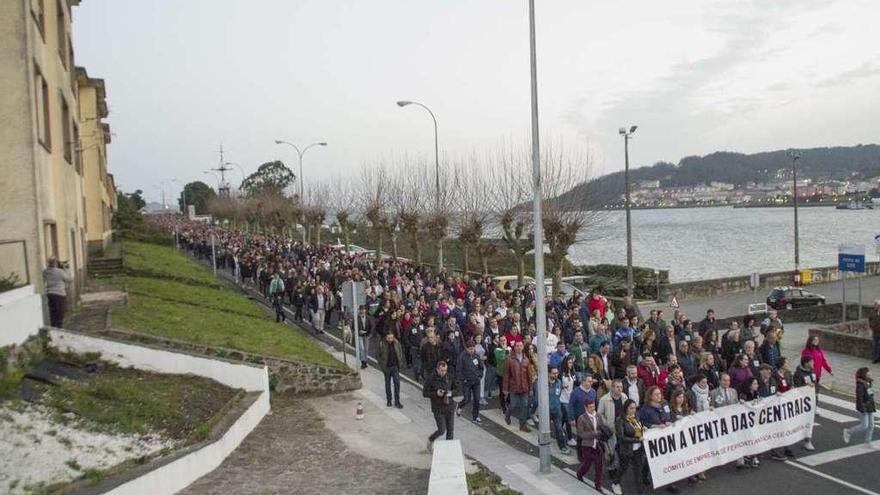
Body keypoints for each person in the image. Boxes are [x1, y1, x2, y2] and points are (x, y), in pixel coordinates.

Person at [638, 386, 679, 493]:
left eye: (659, 394)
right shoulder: (645, 409)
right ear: (650, 396)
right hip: (654, 439)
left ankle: (670, 483)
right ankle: (644, 472)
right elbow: (640, 422)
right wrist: (653, 426)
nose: (659, 396)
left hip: (666, 436)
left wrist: (669, 421)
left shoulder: (664, 404)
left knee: (668, 459)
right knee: (651, 459)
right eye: (656, 394)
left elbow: (668, 416)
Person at [598, 380, 626, 495]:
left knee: (619, 450)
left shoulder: (624, 397)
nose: (620, 389)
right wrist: (607, 424)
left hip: (621, 428)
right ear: (612, 388)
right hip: (610, 430)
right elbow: (600, 414)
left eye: (621, 387)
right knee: (610, 452)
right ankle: (611, 469)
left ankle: (615, 467)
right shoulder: (604, 399)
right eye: (617, 387)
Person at [616, 399, 647, 495]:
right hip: (626, 450)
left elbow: (638, 430)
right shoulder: (620, 420)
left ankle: (640, 492)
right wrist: (637, 440)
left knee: (638, 472)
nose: (633, 410)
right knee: (623, 469)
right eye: (631, 408)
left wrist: (643, 428)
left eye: (635, 408)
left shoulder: (636, 417)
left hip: (637, 449)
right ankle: (615, 482)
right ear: (626, 408)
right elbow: (622, 438)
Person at [424, 360, 456, 452]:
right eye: (442, 370)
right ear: (437, 369)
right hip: (438, 408)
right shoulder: (431, 378)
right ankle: (431, 439)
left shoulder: (449, 376)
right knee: (442, 430)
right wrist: (436, 393)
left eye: (445, 370)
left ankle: (448, 450)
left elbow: (457, 388)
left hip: (449, 406)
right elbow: (425, 393)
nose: (443, 372)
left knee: (450, 430)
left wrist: (451, 393)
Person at [576, 400, 606, 492]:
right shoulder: (581, 418)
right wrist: (594, 433)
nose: (592, 409)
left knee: (599, 465)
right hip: (587, 445)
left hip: (597, 445)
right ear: (585, 408)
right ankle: (580, 473)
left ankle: (598, 484)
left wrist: (601, 432)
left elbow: (602, 427)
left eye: (593, 407)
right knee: (587, 464)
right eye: (590, 407)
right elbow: (581, 434)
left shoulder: (598, 416)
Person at [504, 341, 532, 432]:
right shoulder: (509, 359)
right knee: (513, 405)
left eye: (521, 346)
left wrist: (530, 388)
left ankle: (522, 424)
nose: (519, 348)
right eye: (517, 346)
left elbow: (529, 375)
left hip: (524, 387)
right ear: (514, 348)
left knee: (524, 405)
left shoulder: (526, 359)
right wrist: (505, 388)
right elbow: (506, 374)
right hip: (514, 387)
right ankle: (508, 415)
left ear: (523, 347)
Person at [843, 367, 876, 445]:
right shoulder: (860, 385)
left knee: (871, 425)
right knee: (864, 425)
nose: (870, 374)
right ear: (864, 374)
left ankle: (868, 441)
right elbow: (859, 398)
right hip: (864, 407)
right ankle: (848, 432)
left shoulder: (868, 382)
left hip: (870, 406)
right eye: (868, 372)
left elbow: (870, 394)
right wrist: (862, 408)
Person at [793, 355, 818, 451]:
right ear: (806, 363)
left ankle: (807, 440)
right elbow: (797, 387)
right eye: (811, 362)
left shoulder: (813, 371)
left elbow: (816, 382)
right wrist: (806, 386)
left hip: (811, 400)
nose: (813, 364)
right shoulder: (798, 374)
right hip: (802, 401)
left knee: (809, 421)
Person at [456, 340, 484, 423]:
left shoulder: (476, 356)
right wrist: (463, 379)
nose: (471, 351)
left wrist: (479, 376)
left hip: (476, 381)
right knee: (467, 399)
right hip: (467, 382)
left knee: (477, 399)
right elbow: (459, 370)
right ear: (466, 349)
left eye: (473, 349)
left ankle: (475, 416)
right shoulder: (462, 357)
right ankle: (460, 405)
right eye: (470, 349)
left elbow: (480, 367)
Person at [548, 366, 573, 455]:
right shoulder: (544, 384)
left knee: (559, 429)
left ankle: (562, 447)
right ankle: (542, 442)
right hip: (547, 412)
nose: (556, 375)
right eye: (554, 373)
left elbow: (558, 393)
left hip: (557, 410)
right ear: (549, 373)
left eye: (557, 373)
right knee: (545, 429)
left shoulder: (558, 382)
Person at [377, 332, 405, 408]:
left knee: (397, 384)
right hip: (387, 368)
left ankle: (397, 401)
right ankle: (389, 400)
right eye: (388, 338)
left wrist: (400, 363)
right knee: (388, 384)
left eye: (391, 338)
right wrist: (382, 366)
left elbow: (400, 353)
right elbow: (378, 356)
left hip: (395, 367)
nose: (390, 339)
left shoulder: (396, 343)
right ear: (386, 338)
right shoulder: (382, 344)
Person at [43, 258, 72, 328]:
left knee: (52, 312)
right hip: (59, 294)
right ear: (55, 263)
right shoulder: (59, 271)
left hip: (49, 293)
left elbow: (44, 279)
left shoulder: (45, 271)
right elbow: (69, 279)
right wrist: (66, 269)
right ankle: (59, 327)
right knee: (60, 312)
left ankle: (53, 326)